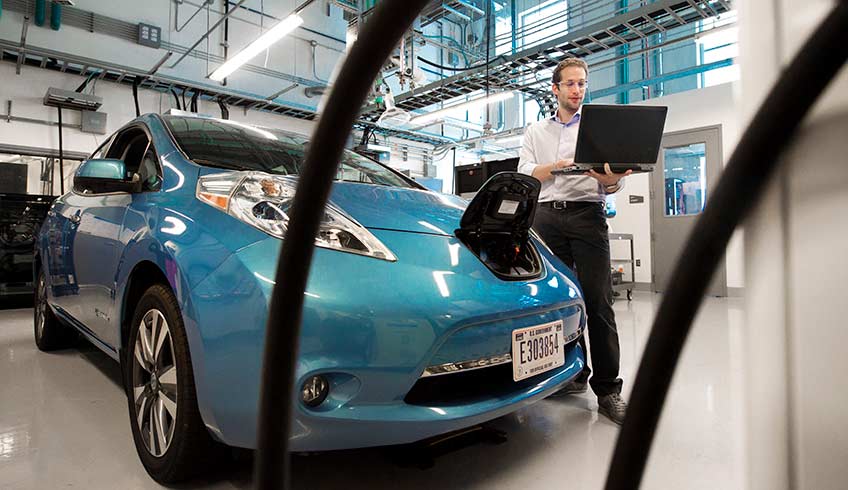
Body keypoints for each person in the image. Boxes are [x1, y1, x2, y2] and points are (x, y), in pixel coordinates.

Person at [517, 57, 629, 425]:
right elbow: (526, 173)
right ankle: (574, 373)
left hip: (586, 214)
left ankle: (609, 390)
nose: (578, 90)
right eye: (571, 84)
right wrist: (558, 166)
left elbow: (611, 184)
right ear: (556, 88)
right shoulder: (536, 132)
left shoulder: (598, 130)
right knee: (561, 301)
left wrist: (609, 177)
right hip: (546, 217)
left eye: (582, 83)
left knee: (598, 301)